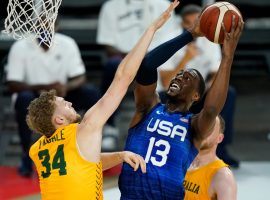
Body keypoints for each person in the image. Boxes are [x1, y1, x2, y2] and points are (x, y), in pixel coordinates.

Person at [26, 1, 180, 199]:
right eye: (64, 104)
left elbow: (85, 160)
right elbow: (123, 77)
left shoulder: (37, 150)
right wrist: (152, 29)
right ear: (59, 120)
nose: (70, 103)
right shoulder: (85, 129)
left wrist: (120, 156)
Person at [119, 11, 244, 200]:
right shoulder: (148, 108)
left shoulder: (194, 127)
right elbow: (147, 66)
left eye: (188, 78)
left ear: (196, 95)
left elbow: (211, 109)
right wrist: (190, 35)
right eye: (179, 75)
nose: (179, 77)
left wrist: (227, 58)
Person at [6, 31, 101, 177]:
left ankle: (94, 143)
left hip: (62, 94)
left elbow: (80, 77)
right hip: (35, 96)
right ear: (34, 23)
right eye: (40, 19)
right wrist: (44, 87)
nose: (44, 23)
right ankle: (26, 155)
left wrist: (66, 87)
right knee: (23, 98)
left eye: (48, 18)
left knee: (91, 93)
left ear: (56, 23)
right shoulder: (20, 46)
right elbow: (13, 84)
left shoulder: (67, 43)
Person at [158, 5, 239, 168]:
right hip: (173, 95)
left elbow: (215, 73)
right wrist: (186, 58)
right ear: (182, 23)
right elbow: (166, 83)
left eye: (199, 21)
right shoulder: (170, 39)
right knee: (165, 97)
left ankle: (221, 148)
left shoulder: (211, 40)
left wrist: (209, 89)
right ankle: (168, 152)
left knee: (227, 93)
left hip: (199, 93)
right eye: (189, 23)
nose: (196, 26)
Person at [97, 0, 180, 151]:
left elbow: (170, 38)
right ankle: (109, 126)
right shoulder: (111, 6)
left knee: (159, 69)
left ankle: (161, 129)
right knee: (112, 66)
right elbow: (108, 44)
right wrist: (135, 57)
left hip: (156, 57)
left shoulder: (163, 4)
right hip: (124, 58)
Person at [183, 115, 237, 200]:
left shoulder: (223, 176)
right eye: (201, 126)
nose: (204, 131)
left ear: (219, 138)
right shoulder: (179, 162)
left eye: (210, 128)